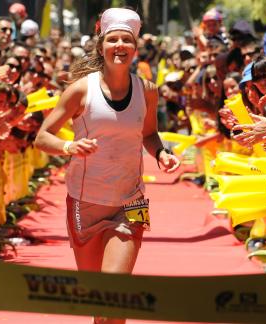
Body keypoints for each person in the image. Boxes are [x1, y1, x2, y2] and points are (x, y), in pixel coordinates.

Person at [34, 8, 180, 323]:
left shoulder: (147, 91)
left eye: (126, 40)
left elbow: (150, 133)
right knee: (98, 300)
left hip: (131, 201)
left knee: (116, 295)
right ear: (102, 45)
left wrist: (162, 153)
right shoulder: (81, 90)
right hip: (85, 201)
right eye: (112, 39)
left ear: (135, 48)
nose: (119, 45)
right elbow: (42, 137)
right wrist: (69, 146)